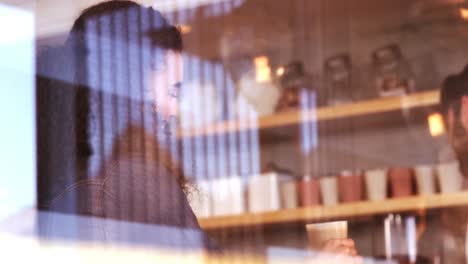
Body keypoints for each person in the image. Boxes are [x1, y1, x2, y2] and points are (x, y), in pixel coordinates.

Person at [36, 0, 358, 259]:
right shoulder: (136, 180)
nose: (174, 110)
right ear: (130, 84)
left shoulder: (64, 184)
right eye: (172, 91)